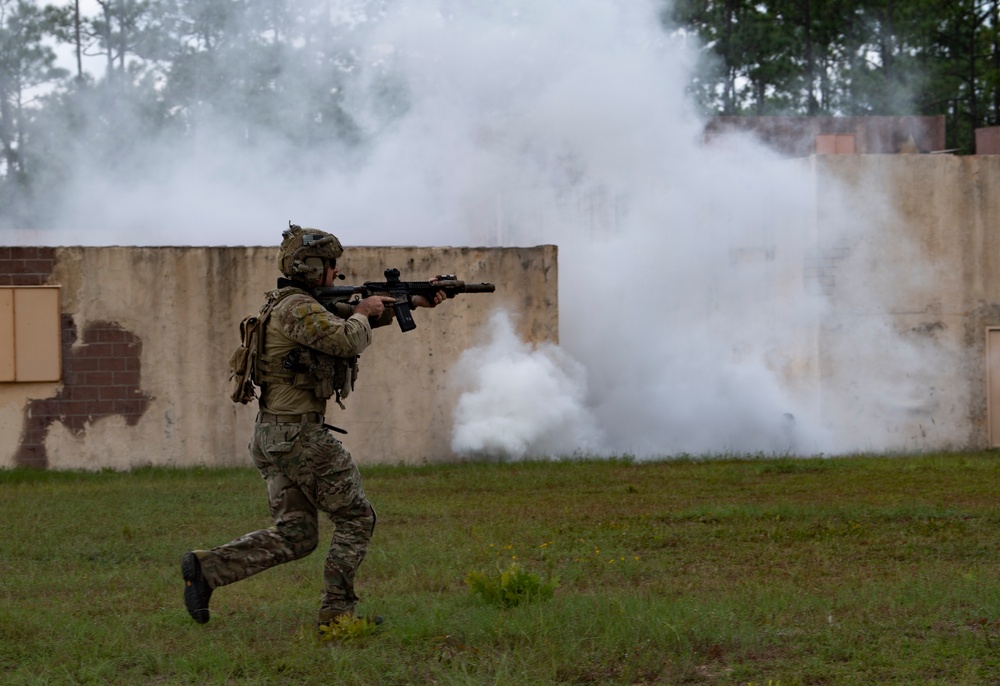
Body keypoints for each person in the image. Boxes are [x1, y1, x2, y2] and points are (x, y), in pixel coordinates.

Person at [181, 223, 445, 628]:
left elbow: (343, 322)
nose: (336, 273)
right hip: (298, 436)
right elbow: (345, 338)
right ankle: (338, 613)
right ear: (312, 266)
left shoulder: (293, 304)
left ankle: (208, 570)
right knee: (357, 516)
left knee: (297, 534)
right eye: (331, 265)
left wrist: (414, 300)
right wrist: (362, 312)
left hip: (275, 435)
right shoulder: (297, 308)